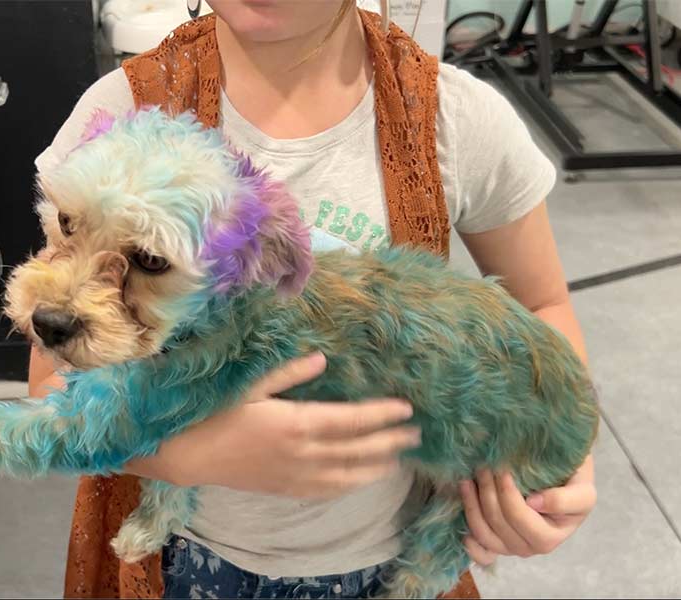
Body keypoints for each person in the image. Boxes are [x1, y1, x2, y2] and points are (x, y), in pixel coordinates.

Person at [29, 1, 597, 598]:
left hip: (392, 552)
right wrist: (182, 456)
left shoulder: (460, 121)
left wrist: (565, 461)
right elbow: (52, 378)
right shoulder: (120, 115)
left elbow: (541, 307)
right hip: (181, 554)